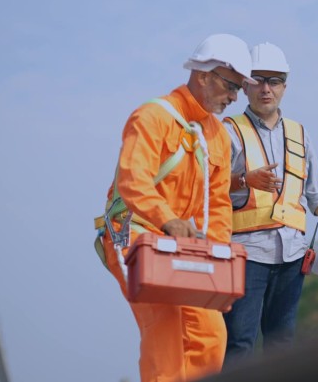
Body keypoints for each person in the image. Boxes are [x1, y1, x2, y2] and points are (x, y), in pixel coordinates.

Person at [98, 33, 256, 382]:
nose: (233, 98)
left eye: (238, 90)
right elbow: (132, 180)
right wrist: (167, 220)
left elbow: (217, 208)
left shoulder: (218, 136)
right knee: (167, 333)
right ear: (203, 75)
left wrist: (218, 267)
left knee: (211, 336)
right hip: (136, 239)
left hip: (182, 249)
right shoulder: (152, 117)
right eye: (230, 86)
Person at [221, 42, 318, 366]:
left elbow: (316, 195)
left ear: (285, 86)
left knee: (282, 348)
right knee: (239, 345)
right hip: (245, 254)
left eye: (275, 80)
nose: (266, 88)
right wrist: (242, 180)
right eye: (258, 79)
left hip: (292, 257)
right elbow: (205, 191)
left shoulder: (299, 134)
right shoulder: (228, 132)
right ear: (246, 84)